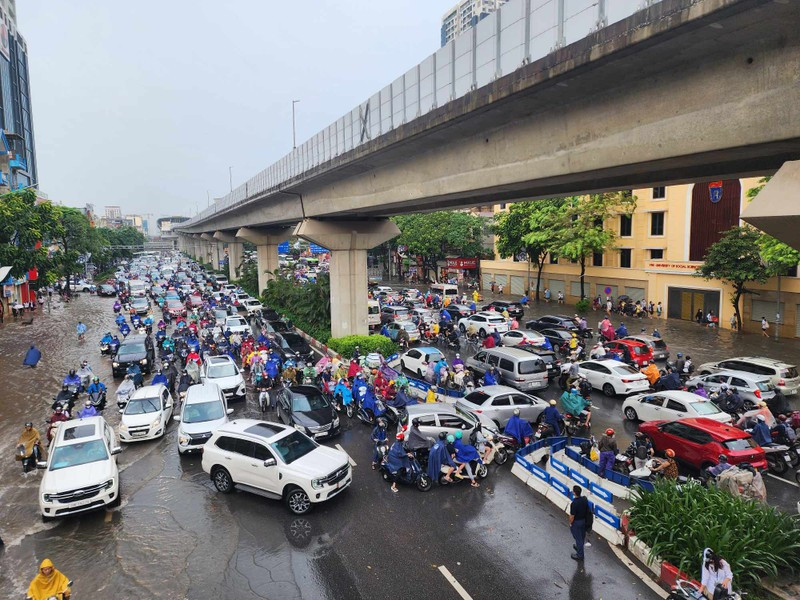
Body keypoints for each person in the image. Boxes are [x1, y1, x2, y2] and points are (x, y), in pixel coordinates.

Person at [569, 485, 592, 561]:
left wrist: (570, 523)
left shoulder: (574, 503)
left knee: (578, 538)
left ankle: (580, 555)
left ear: (574, 493)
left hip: (577, 522)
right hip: (584, 521)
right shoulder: (584, 500)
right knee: (581, 537)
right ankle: (579, 548)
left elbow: (572, 516)